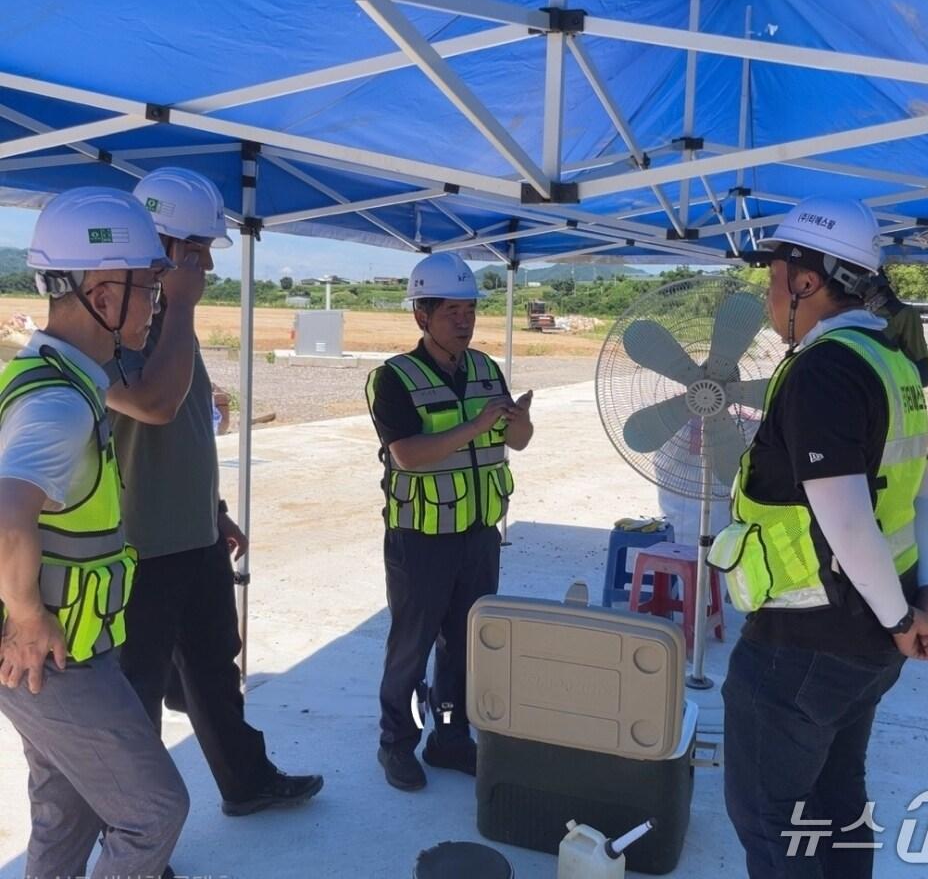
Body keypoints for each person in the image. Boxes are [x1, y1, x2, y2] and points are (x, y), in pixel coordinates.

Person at [712, 196, 928, 878]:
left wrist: (903, 616)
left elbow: (844, 514)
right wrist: (924, 590)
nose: (767, 293)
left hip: (807, 640)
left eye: (773, 277)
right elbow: (922, 491)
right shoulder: (892, 362)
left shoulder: (826, 369)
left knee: (771, 818)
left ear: (808, 281)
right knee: (837, 798)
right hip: (872, 639)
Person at [107, 167, 323, 816]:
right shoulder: (114, 323)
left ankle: (247, 781)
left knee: (213, 672)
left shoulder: (174, 324)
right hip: (135, 549)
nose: (204, 267)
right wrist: (183, 305)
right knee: (135, 695)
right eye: (196, 252)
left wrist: (216, 511)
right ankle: (135, 836)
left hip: (193, 537)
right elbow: (156, 405)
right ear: (161, 246)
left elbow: (188, 435)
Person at [0, 187, 188, 879]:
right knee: (154, 810)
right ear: (104, 294)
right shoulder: (57, 400)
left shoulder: (66, 378)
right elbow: (5, 512)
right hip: (57, 659)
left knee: (67, 808)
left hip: (62, 653)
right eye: (148, 289)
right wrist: (25, 617)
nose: (154, 305)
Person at [365, 252, 534, 791]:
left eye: (470, 310)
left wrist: (519, 422)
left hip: (479, 534)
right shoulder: (393, 378)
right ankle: (396, 744)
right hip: (421, 540)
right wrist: (477, 423)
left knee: (465, 646)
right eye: (451, 312)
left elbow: (517, 441)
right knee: (411, 647)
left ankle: (449, 738)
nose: (464, 321)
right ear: (422, 316)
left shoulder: (486, 369)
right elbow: (408, 455)